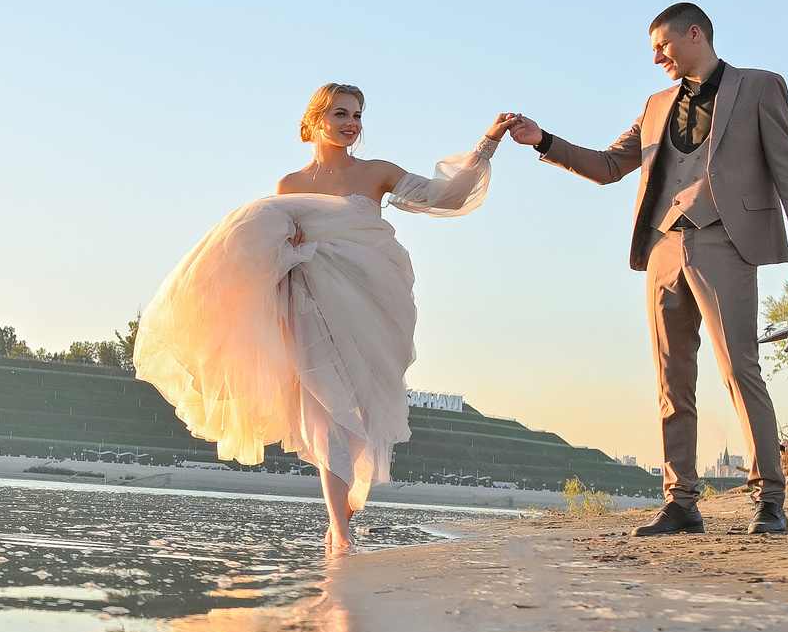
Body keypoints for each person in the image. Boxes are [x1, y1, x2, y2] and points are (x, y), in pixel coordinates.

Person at [134, 83, 511, 556]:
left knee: (366, 412)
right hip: (309, 307)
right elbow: (257, 257)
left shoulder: (377, 173)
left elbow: (446, 196)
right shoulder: (288, 188)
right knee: (328, 414)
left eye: (358, 115)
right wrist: (286, 251)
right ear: (316, 121)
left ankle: (343, 508)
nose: (352, 123)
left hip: (373, 307)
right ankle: (340, 531)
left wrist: (488, 142)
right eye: (341, 114)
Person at [503, 2, 788, 537]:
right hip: (663, 247)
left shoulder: (761, 87)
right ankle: (681, 503)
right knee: (673, 381)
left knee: (740, 371)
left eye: (663, 45)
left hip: (727, 240)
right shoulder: (655, 106)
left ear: (694, 34)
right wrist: (545, 141)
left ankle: (770, 499)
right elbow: (608, 166)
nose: (656, 58)